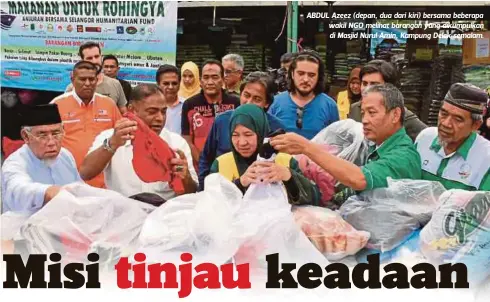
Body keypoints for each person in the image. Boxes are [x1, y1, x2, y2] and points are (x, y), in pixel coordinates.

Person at [271, 84, 421, 204]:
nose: (365, 120)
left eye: (372, 112)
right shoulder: (374, 146)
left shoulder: (402, 155)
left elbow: (359, 179)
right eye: (363, 113)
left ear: (395, 115)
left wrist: (306, 147)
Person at [80, 84, 198, 200]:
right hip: (123, 214)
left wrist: (185, 177)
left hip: (163, 215)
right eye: (152, 112)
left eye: (163, 112)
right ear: (132, 110)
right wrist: (112, 144)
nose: (160, 118)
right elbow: (85, 173)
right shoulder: (110, 137)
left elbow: (191, 193)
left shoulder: (176, 143)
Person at [209, 104, 320, 205]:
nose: (242, 142)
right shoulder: (220, 164)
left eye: (248, 134)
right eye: (235, 135)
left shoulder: (285, 161)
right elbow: (210, 205)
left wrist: (289, 177)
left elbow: (315, 198)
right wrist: (239, 184)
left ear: (261, 132)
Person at [198, 72, 285, 191]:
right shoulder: (222, 121)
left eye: (257, 99)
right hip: (223, 193)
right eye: (246, 95)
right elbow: (206, 158)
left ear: (267, 103)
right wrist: (203, 189)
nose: (249, 102)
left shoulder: (276, 128)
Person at [51, 61, 122, 188]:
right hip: (68, 181)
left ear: (97, 80)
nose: (87, 84)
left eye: (91, 79)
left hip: (103, 182)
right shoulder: (56, 105)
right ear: (72, 80)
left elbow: (121, 137)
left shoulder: (109, 104)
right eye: (82, 79)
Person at [2, 104, 82, 214]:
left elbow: (79, 190)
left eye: (56, 133)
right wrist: (47, 192)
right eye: (42, 135)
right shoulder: (15, 164)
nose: (51, 142)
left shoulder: (65, 156)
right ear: (26, 136)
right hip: (26, 227)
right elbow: (19, 189)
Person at [415, 83, 490, 191]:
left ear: (476, 125)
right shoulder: (425, 138)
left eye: (458, 119)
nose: (446, 123)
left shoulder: (486, 158)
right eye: (443, 114)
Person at [348, 59, 426, 141]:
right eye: (364, 83)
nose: (367, 89)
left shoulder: (401, 115)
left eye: (374, 85)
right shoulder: (355, 108)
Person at [181, 59, 240, 166]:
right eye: (206, 77)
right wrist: (202, 162)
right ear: (200, 81)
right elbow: (186, 139)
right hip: (200, 167)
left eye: (215, 77)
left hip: (230, 164)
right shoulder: (189, 105)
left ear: (223, 79)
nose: (210, 82)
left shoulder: (235, 103)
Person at [269, 51, 339, 139]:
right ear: (292, 74)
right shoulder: (274, 103)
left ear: (319, 77)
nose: (305, 79)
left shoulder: (329, 105)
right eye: (301, 73)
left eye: (311, 75)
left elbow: (335, 143)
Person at [66, 41, 128, 113]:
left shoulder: (115, 84)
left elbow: (124, 113)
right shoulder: (72, 89)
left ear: (101, 56)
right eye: (89, 58)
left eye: (97, 56)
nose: (95, 61)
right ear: (82, 61)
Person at [156, 64, 185, 135]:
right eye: (166, 83)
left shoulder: (187, 105)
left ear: (179, 84)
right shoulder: (151, 107)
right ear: (158, 84)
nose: (171, 87)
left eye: (174, 83)